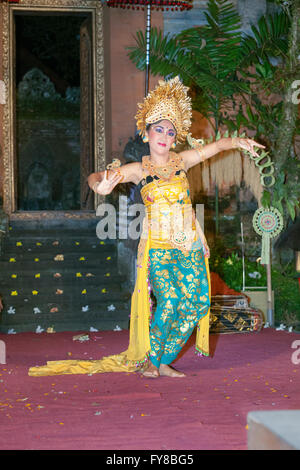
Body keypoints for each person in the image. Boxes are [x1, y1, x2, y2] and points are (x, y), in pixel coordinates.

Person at [28, 77, 263, 378]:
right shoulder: (139, 169)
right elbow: (95, 176)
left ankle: (163, 360)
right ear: (147, 132)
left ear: (175, 136)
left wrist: (238, 142)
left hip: (189, 246)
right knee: (170, 301)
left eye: (170, 131)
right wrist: (101, 186)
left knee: (196, 306)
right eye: (159, 129)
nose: (164, 135)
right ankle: (153, 361)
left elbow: (215, 147)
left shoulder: (182, 161)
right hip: (159, 248)